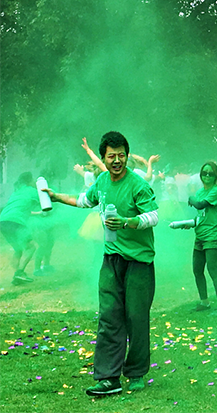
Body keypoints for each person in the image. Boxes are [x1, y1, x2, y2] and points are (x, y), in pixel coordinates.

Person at [44, 131, 159, 396]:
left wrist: (128, 222)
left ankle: (136, 373)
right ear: (104, 159)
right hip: (111, 260)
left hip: (139, 262)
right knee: (109, 316)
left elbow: (153, 216)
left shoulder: (138, 184)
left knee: (136, 317)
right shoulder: (102, 181)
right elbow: (84, 200)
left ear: (127, 156)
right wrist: (56, 196)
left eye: (121, 155)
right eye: (111, 156)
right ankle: (108, 377)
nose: (117, 160)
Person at [185, 161, 217, 315]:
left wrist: (191, 198)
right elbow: (200, 215)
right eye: (204, 173)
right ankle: (204, 302)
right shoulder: (199, 192)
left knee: (213, 271)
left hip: (212, 236)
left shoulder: (216, 191)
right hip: (200, 236)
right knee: (197, 270)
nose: (207, 176)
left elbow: (200, 205)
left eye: (211, 173)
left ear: (216, 175)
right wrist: (188, 223)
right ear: (201, 175)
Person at [0, 172, 40, 285]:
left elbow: (22, 210)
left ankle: (17, 276)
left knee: (18, 249)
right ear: (30, 181)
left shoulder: (17, 192)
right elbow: (47, 200)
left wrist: (38, 213)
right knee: (31, 247)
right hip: (16, 222)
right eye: (34, 180)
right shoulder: (32, 191)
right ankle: (19, 272)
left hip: (3, 221)